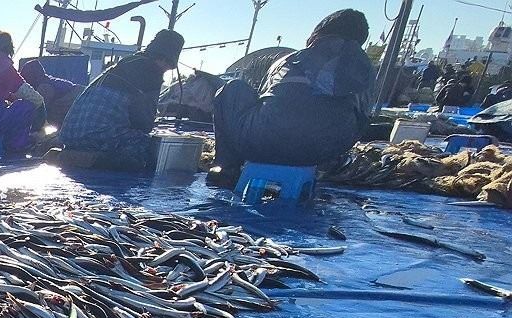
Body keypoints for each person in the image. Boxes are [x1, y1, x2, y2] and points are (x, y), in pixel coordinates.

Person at [207, 10, 373, 187]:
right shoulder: (366, 70)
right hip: (324, 152)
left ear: (317, 34)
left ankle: (226, 169)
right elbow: (363, 119)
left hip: (263, 144)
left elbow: (264, 100)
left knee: (232, 87)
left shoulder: (291, 59)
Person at [58, 29, 184, 170]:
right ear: (164, 60)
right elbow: (143, 123)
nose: (166, 70)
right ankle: (92, 160)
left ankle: (69, 155)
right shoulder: (152, 73)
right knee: (146, 149)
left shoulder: (126, 62)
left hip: (70, 135)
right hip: (95, 136)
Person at [20, 58, 80, 127]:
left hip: (75, 99)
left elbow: (41, 112)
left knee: (51, 114)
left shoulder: (43, 87)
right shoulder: (45, 80)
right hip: (77, 96)